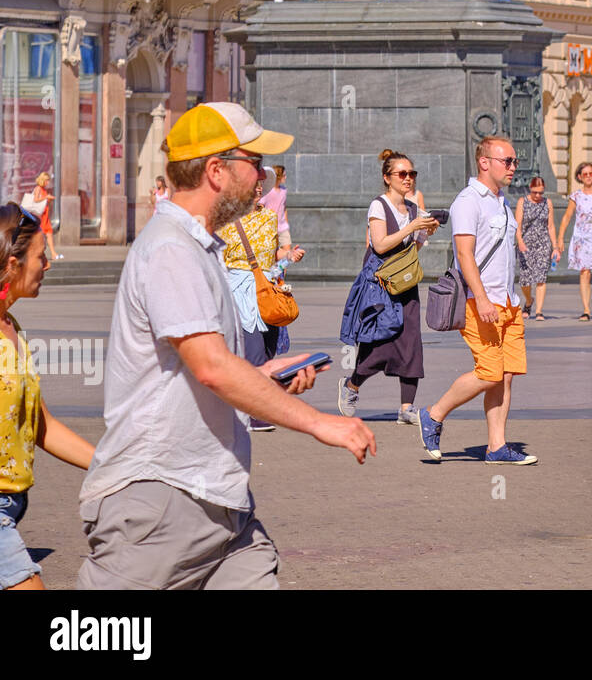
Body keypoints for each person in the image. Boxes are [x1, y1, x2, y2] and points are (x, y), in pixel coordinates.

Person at [77, 102, 376, 590]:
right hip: (161, 500)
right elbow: (212, 368)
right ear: (216, 170)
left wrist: (261, 378)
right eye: (254, 162)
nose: (263, 176)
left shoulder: (200, 247)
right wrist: (321, 424)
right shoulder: (172, 250)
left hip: (222, 502)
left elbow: (197, 371)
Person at [419, 136, 537, 465]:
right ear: (484, 162)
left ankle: (496, 447)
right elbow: (464, 255)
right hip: (479, 302)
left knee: (507, 374)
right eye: (507, 161)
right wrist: (483, 299)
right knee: (489, 372)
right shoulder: (468, 201)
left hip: (508, 303)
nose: (514, 167)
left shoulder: (500, 201)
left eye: (514, 161)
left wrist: (515, 301)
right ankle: (433, 414)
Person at [0, 204, 95, 589]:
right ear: (12, 263)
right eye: (42, 256)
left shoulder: (12, 327)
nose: (49, 265)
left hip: (13, 504)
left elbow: (41, 426)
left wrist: (111, 465)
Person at [338, 150, 439, 425]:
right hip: (380, 286)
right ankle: (352, 385)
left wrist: (425, 232)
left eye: (412, 174)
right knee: (379, 345)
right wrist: (411, 227)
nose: (408, 179)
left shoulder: (415, 209)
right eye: (402, 174)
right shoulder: (378, 206)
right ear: (387, 177)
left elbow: (412, 250)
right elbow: (379, 244)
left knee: (411, 344)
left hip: (405, 283)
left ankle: (407, 407)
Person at [217, 168, 305, 431]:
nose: (259, 187)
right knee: (253, 351)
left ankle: (254, 406)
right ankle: (253, 411)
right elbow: (216, 260)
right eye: (254, 182)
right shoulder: (224, 221)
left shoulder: (269, 218)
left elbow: (270, 259)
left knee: (268, 352)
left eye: (261, 183)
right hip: (239, 293)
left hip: (266, 291)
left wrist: (287, 259)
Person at [558, 162, 592, 321]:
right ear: (580, 177)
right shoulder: (576, 196)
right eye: (585, 174)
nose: (588, 176)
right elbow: (567, 216)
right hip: (581, 238)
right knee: (584, 273)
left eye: (590, 173)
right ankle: (586, 309)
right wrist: (560, 238)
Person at [516, 177, 558, 320]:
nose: (538, 196)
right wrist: (520, 241)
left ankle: (539, 311)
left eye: (541, 192)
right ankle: (529, 301)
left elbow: (551, 226)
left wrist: (555, 247)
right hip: (526, 245)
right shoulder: (523, 202)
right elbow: (518, 225)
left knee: (541, 278)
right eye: (535, 192)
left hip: (543, 244)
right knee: (525, 280)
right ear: (530, 188)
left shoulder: (548, 203)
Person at [29, 172, 58, 260]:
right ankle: (36, 253)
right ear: (42, 180)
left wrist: (49, 199)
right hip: (40, 216)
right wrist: (46, 197)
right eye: (46, 180)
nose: (48, 182)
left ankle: (53, 253)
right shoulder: (38, 188)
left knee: (49, 233)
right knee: (39, 235)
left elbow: (44, 202)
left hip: (45, 215)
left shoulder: (44, 189)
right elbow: (36, 200)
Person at [259, 165, 290, 244]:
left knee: (287, 251)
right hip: (270, 227)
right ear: (279, 176)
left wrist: (286, 224)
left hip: (283, 227)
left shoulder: (284, 190)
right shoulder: (268, 191)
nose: (285, 177)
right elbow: (261, 206)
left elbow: (284, 208)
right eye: (284, 175)